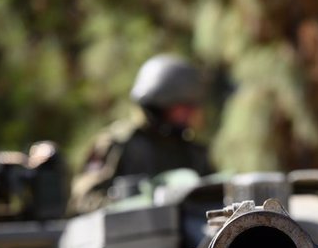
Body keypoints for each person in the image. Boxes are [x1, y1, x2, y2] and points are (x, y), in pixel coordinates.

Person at [69, 54, 214, 214]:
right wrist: (129, 205)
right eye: (183, 106)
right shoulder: (119, 144)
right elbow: (83, 199)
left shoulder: (191, 152)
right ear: (160, 103)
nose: (191, 113)